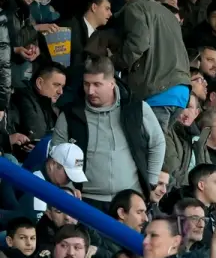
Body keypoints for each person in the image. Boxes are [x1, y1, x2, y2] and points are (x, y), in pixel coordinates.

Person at [52, 56, 166, 207]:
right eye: (86, 84)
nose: (90, 91)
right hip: (85, 200)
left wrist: (150, 182)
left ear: (112, 83)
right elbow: (56, 153)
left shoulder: (136, 108)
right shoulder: (70, 114)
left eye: (97, 84)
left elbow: (158, 142)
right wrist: (69, 187)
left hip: (130, 198)